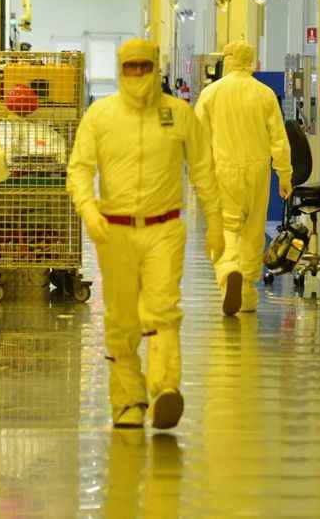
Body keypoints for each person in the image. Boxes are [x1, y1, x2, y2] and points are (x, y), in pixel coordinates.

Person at [66, 38, 225, 430]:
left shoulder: (179, 113)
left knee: (162, 311)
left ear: (157, 68)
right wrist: (88, 209)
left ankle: (165, 389)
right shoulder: (100, 116)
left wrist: (217, 221)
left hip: (165, 228)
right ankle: (127, 403)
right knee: (121, 321)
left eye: (144, 67)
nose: (137, 74)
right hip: (114, 231)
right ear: (120, 69)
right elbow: (80, 168)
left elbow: (203, 169)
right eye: (130, 67)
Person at [194, 41, 292, 316]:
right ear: (251, 61)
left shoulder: (211, 93)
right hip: (258, 169)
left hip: (222, 169)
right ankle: (247, 292)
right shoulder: (265, 94)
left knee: (226, 225)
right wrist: (284, 175)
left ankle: (229, 272)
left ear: (227, 60)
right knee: (252, 229)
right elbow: (279, 140)